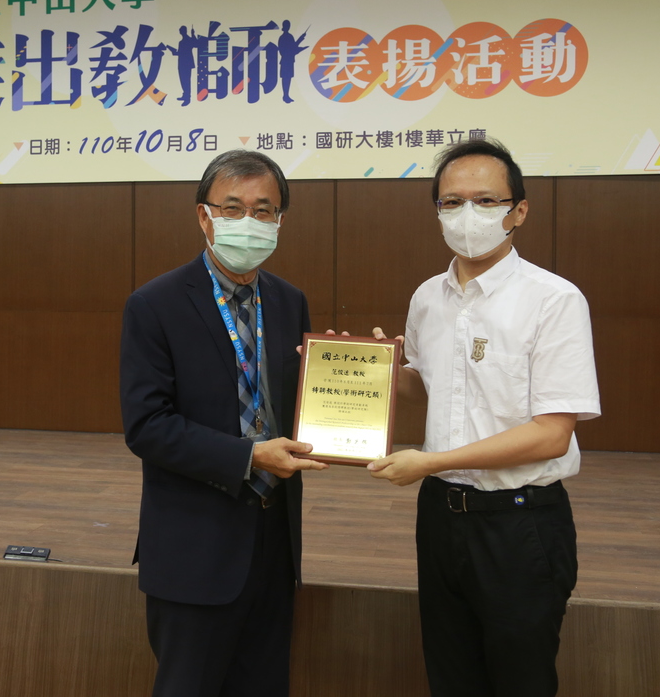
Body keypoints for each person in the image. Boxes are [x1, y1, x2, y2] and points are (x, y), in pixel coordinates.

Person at [367, 139, 601, 697]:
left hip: (519, 523)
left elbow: (551, 434)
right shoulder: (428, 297)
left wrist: (431, 462)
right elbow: (431, 387)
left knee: (520, 680)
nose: (467, 214)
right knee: (451, 674)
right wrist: (375, 372)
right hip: (440, 518)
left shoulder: (554, 300)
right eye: (451, 202)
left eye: (485, 200)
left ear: (518, 210)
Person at [121, 149, 328, 697]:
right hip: (195, 545)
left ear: (280, 220)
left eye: (265, 210)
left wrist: (365, 383)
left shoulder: (289, 302)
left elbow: (305, 400)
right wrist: (249, 456)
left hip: (274, 541)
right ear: (203, 215)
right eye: (232, 207)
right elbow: (147, 426)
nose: (249, 222)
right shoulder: (155, 304)